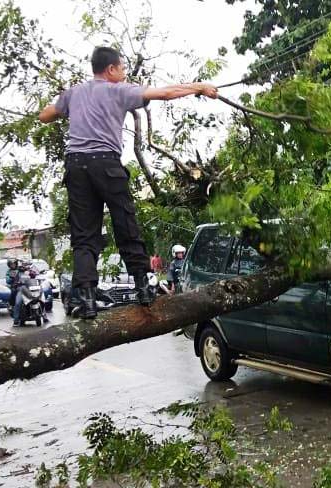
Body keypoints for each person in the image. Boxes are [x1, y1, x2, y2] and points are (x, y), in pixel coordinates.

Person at [38, 46, 218, 319]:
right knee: (125, 223)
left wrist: (69, 109)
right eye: (121, 68)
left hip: (76, 167)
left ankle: (86, 299)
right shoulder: (119, 90)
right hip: (105, 163)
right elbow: (166, 93)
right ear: (110, 69)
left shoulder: (73, 93)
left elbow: (44, 115)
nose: (123, 74)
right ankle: (144, 288)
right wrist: (200, 87)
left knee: (84, 235)